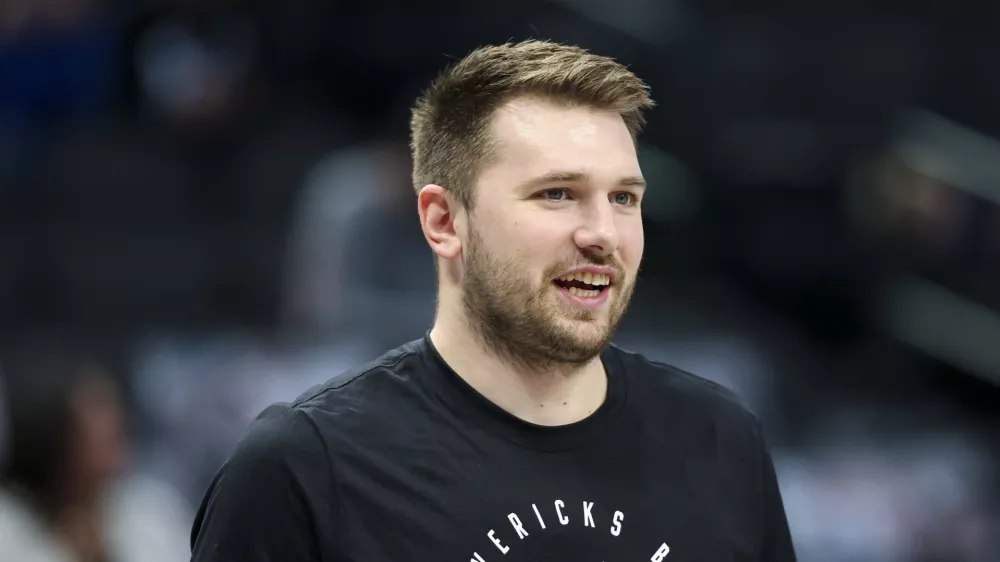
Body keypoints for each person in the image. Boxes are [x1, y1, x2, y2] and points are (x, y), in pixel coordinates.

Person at [190, 40, 797, 561]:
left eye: (623, 198)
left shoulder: (722, 440)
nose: (603, 233)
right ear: (444, 220)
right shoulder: (304, 469)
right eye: (557, 194)